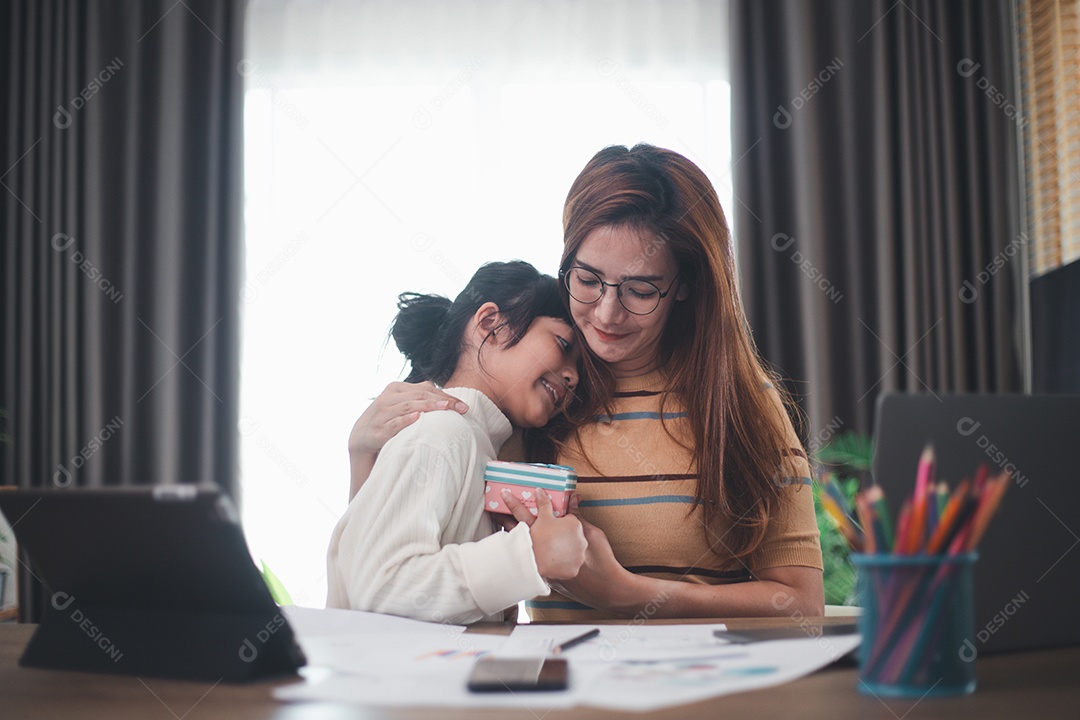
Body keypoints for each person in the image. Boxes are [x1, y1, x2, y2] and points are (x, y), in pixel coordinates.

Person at [348, 144, 824, 621]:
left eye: (640, 290)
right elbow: (394, 575)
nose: (606, 315)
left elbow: (801, 604)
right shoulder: (534, 404)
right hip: (558, 686)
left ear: (684, 286)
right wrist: (364, 455)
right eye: (588, 280)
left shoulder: (740, 402)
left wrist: (631, 594)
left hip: (708, 686)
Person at [326, 261, 587, 625]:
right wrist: (528, 555)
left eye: (580, 367)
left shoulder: (473, 443)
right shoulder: (443, 434)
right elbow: (379, 588)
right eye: (563, 344)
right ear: (490, 324)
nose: (573, 376)